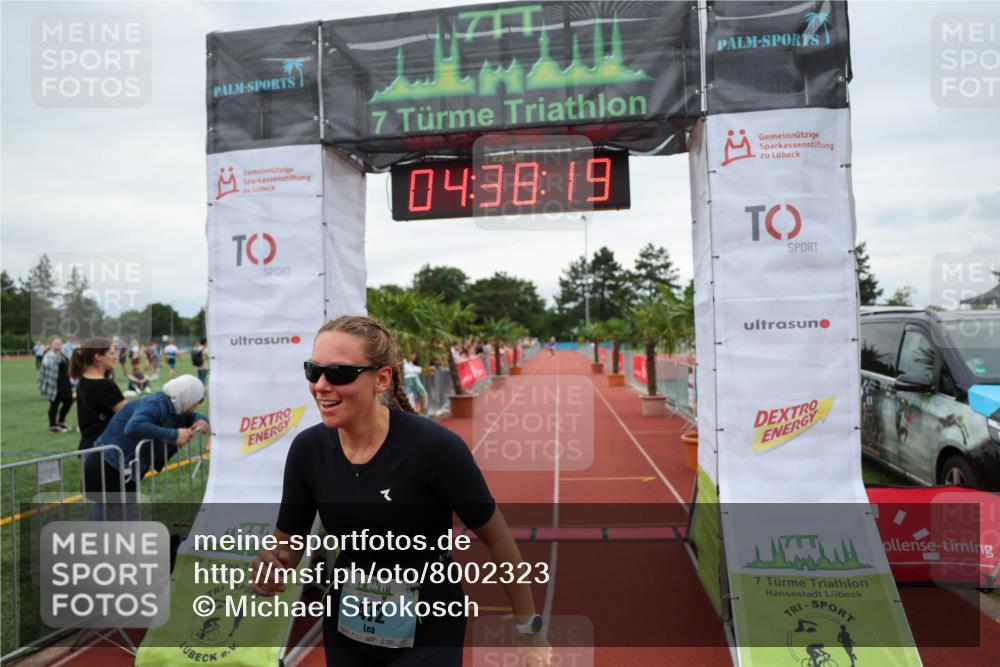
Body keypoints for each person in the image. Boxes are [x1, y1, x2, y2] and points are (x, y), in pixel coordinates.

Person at [251, 316, 550, 667]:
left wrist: (530, 632)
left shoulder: (436, 448)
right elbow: (288, 544)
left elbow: (497, 538)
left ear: (382, 378)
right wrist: (272, 567)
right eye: (313, 371)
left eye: (339, 373)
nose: (320, 385)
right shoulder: (307, 450)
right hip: (347, 624)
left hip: (429, 624)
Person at [87, 375, 209, 519]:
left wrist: (201, 420)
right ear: (188, 396)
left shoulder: (174, 405)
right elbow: (133, 427)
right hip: (107, 465)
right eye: (198, 401)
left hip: (121, 467)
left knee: (124, 518)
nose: (197, 405)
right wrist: (173, 435)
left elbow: (191, 416)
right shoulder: (156, 404)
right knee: (109, 519)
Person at [70, 337, 127, 451]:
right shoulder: (105, 385)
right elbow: (128, 416)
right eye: (111, 353)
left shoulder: (83, 381)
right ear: (98, 357)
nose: (115, 357)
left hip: (87, 447)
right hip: (104, 451)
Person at [38, 337, 74, 432]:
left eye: (60, 343)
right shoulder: (49, 355)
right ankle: (53, 425)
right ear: (51, 344)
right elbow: (46, 367)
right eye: (56, 343)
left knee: (69, 401)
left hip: (65, 383)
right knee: (54, 404)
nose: (58, 344)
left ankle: (61, 422)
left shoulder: (60, 354)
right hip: (55, 384)